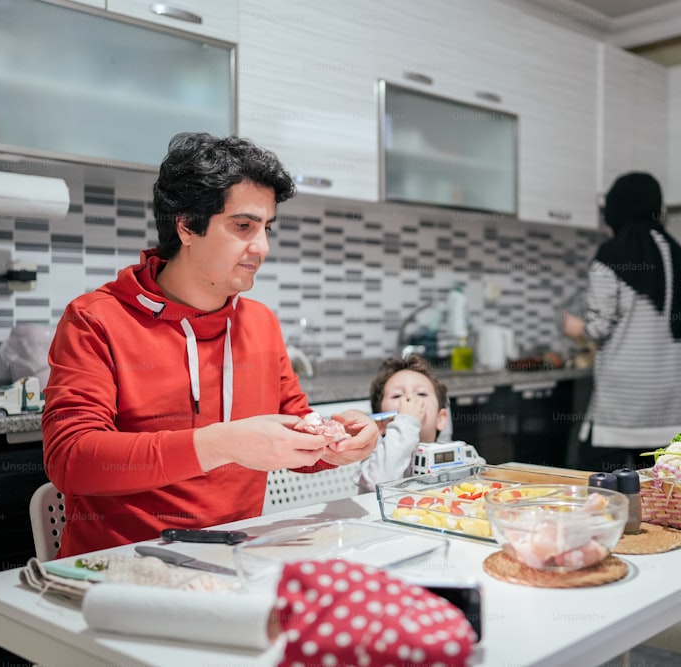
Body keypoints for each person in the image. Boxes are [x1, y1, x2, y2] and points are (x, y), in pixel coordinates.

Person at [42, 132, 379, 557]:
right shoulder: (95, 319)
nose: (262, 247)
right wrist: (223, 443)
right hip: (121, 572)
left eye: (266, 228)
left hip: (237, 560)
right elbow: (71, 459)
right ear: (186, 225)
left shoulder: (260, 323)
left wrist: (337, 445)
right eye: (243, 226)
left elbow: (297, 437)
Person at [562, 172, 681, 473]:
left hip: (623, 407)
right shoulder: (679, 254)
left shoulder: (612, 254)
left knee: (600, 487)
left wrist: (578, 329)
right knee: (663, 498)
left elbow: (599, 327)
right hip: (675, 406)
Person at [356, 354, 451, 492]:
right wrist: (407, 421)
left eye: (422, 394)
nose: (410, 398)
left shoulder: (454, 455)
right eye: (397, 395)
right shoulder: (374, 462)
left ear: (440, 419)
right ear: (380, 423)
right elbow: (380, 483)